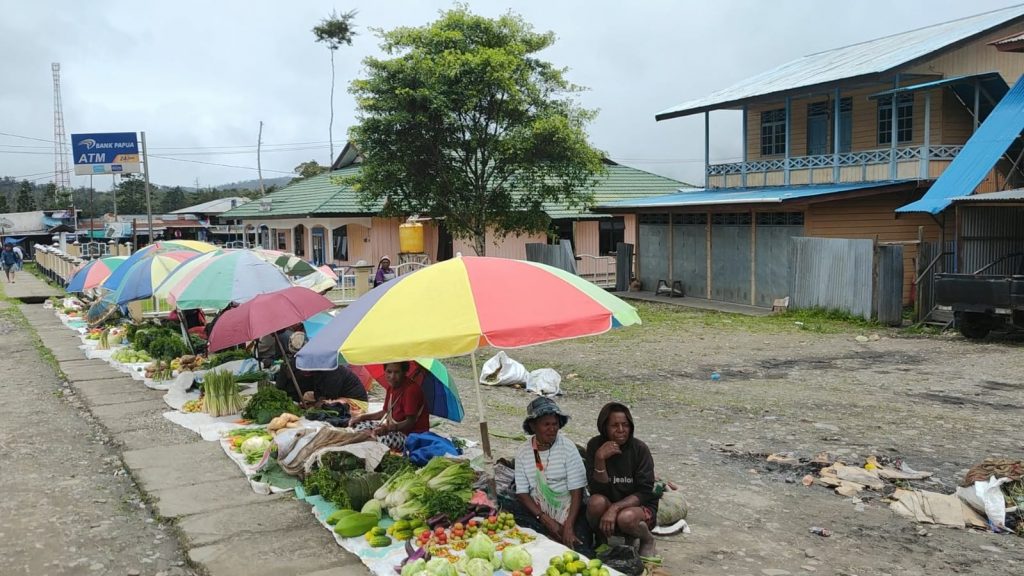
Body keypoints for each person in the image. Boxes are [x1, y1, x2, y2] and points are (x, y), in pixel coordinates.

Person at [511, 397, 592, 555]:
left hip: (570, 511)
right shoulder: (523, 452)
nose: (552, 429)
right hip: (539, 512)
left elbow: (577, 489)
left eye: (555, 424)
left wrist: (568, 526)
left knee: (580, 550)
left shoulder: (567, 447)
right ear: (533, 426)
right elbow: (522, 492)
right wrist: (546, 520)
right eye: (546, 424)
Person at [585, 402, 660, 560]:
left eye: (625, 425)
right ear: (604, 427)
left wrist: (614, 509)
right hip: (608, 501)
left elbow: (645, 492)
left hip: (637, 506)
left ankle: (647, 539)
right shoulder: (595, 446)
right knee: (595, 503)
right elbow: (596, 488)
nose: (620, 430)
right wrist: (600, 459)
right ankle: (601, 539)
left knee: (626, 518)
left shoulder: (639, 449)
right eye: (614, 425)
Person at [348, 360, 429, 451]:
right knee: (357, 424)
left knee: (372, 441)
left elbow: (410, 422)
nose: (392, 377)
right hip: (393, 431)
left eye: (397, 372)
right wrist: (361, 417)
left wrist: (388, 428)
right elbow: (384, 412)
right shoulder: (391, 387)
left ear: (404, 372)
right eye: (389, 372)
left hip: (410, 436)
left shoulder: (411, 390)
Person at [274, 332, 368, 405]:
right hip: (333, 395)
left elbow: (329, 397)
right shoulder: (298, 366)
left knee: (328, 404)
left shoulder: (329, 368)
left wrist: (318, 403)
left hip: (355, 401)